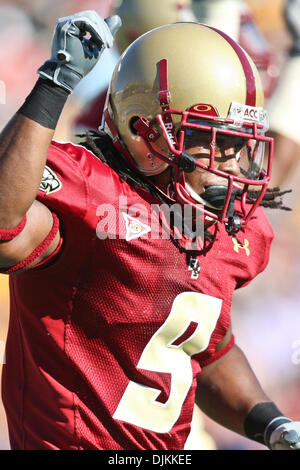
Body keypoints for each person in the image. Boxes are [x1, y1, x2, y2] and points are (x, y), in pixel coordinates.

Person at [0, 10, 299, 451]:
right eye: (218, 142)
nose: (235, 165)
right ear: (146, 134)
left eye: (241, 144)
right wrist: (54, 82)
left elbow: (207, 348)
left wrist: (273, 425)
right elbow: (5, 228)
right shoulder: (94, 196)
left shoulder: (223, 224)